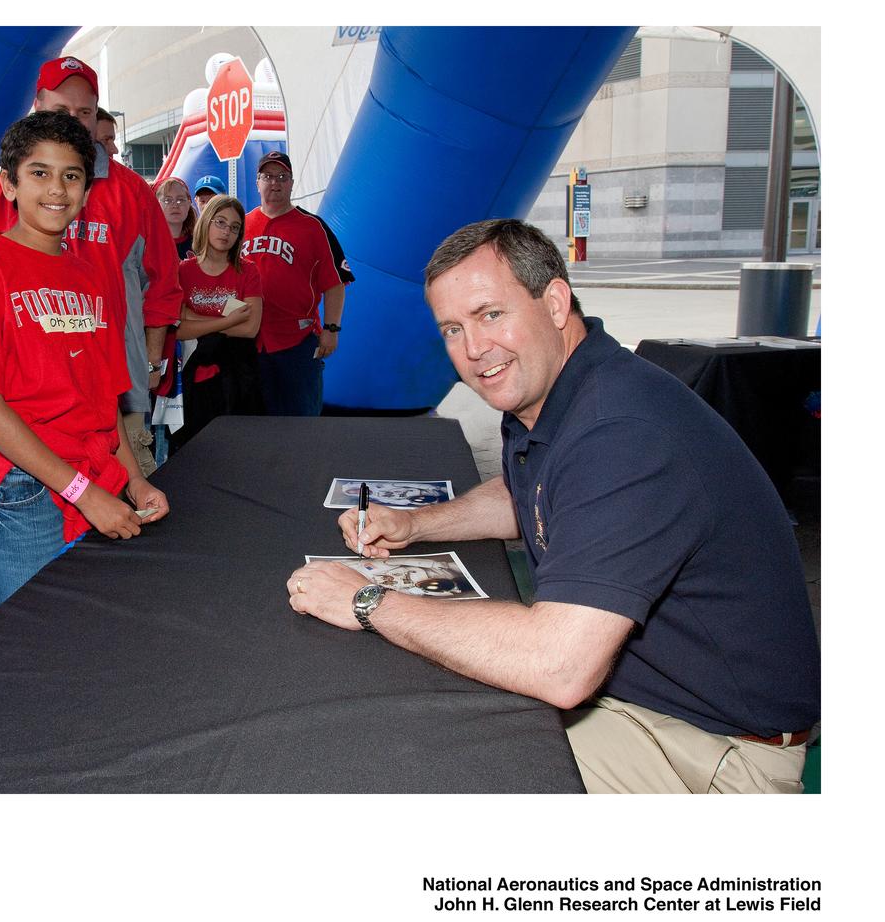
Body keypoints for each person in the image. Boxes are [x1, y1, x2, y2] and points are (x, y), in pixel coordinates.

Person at [286, 218, 820, 794]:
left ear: (556, 301)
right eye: (451, 329)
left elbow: (559, 666)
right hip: (641, 700)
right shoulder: (560, 390)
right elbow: (533, 493)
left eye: (492, 314)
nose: (473, 349)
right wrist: (416, 523)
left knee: (425, 765)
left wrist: (367, 600)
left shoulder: (621, 431)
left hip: (715, 752)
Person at [0, 111, 170, 622]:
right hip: (25, 490)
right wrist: (83, 493)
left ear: (88, 191)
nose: (57, 189)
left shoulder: (91, 274)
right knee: (23, 658)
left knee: (79, 641)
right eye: (39, 173)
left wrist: (135, 481)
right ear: (8, 185)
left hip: (93, 479)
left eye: (71, 175)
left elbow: (105, 400)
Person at [0, 56, 182, 478]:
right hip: (30, 395)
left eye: (84, 112)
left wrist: (149, 364)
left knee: (129, 500)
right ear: (37, 107)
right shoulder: (5, 194)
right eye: (60, 111)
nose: (73, 122)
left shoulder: (133, 193)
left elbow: (163, 286)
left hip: (115, 393)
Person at [241, 151, 344, 415]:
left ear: (291, 182)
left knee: (301, 427)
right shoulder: (241, 224)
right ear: (257, 182)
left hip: (297, 343)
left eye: (282, 177)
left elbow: (335, 283)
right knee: (254, 426)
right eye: (267, 176)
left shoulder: (312, 227)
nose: (274, 183)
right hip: (248, 342)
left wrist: (332, 328)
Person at [171, 193, 263, 450]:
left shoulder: (248, 270)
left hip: (238, 380)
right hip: (191, 381)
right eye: (220, 222)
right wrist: (227, 321)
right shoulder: (183, 270)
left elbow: (249, 328)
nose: (226, 232)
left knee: (238, 450)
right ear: (206, 222)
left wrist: (194, 319)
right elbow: (177, 329)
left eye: (234, 227)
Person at [156, 176, 196, 260]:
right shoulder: (148, 246)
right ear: (157, 205)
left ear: (189, 204)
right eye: (167, 200)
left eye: (180, 200)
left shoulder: (200, 244)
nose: (175, 205)